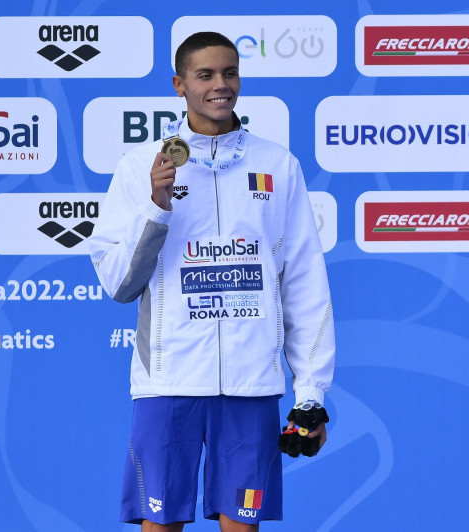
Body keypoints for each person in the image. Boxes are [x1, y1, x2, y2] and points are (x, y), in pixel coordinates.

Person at [90, 31, 336, 532]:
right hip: (169, 380)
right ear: (180, 84)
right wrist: (155, 209)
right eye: (205, 75)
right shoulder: (142, 166)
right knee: (160, 527)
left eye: (230, 73)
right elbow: (118, 284)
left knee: (242, 527)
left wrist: (310, 394)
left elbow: (305, 283)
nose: (220, 85)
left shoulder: (277, 166)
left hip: (252, 384)